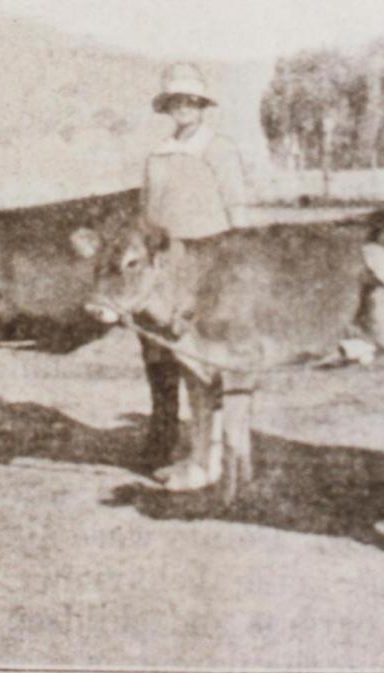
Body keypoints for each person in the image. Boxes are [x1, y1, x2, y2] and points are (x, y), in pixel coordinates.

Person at [140, 62, 249, 489]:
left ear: (202, 106)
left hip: (214, 272)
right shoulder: (157, 154)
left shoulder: (218, 148)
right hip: (170, 275)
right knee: (185, 365)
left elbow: (237, 210)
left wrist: (238, 268)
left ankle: (217, 460)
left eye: (191, 101)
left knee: (215, 366)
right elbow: (148, 218)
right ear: (168, 107)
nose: (184, 107)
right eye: (176, 101)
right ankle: (198, 457)